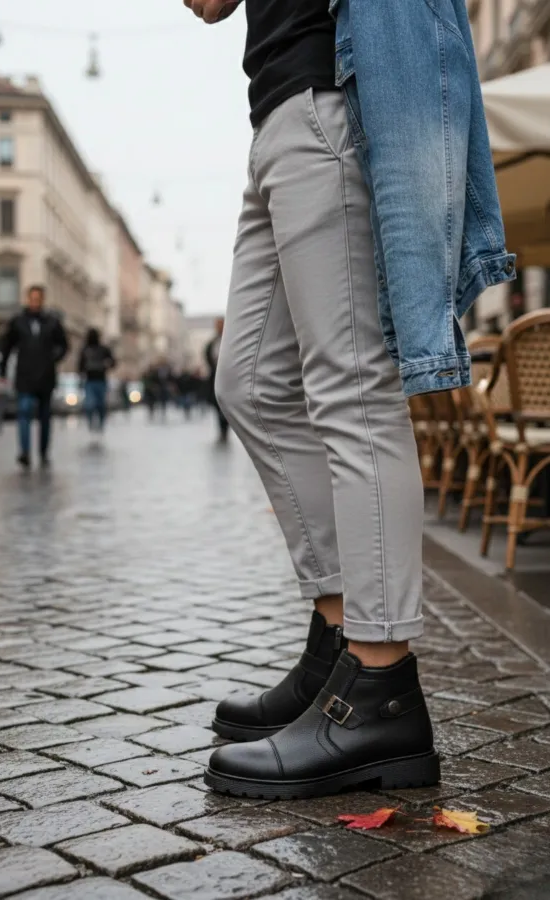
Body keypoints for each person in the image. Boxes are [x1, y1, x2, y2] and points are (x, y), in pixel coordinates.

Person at [185, 0, 513, 801]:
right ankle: (339, 639)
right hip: (276, 108)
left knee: (354, 390)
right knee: (249, 383)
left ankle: (380, 685)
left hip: (331, 89)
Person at [0, 285, 68, 469]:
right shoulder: (18, 322)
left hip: (46, 376)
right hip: (25, 376)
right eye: (32, 299)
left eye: (38, 299)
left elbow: (63, 345)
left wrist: (53, 358)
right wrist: (2, 371)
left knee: (44, 416)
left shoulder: (52, 322)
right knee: (24, 411)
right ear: (28, 299)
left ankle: (43, 452)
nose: (35, 302)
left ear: (42, 300)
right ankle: (25, 452)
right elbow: (7, 347)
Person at [78, 328, 115, 432]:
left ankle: (100, 423)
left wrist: (106, 365)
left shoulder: (103, 349)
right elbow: (80, 365)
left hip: (100, 380)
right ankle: (91, 422)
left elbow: (113, 362)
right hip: (90, 381)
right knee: (90, 404)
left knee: (100, 404)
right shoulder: (85, 350)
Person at [205, 317, 228, 442]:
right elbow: (207, 357)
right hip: (215, 378)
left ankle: (226, 430)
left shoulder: (230, 341)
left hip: (229, 379)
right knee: (218, 406)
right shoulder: (212, 343)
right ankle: (222, 431)